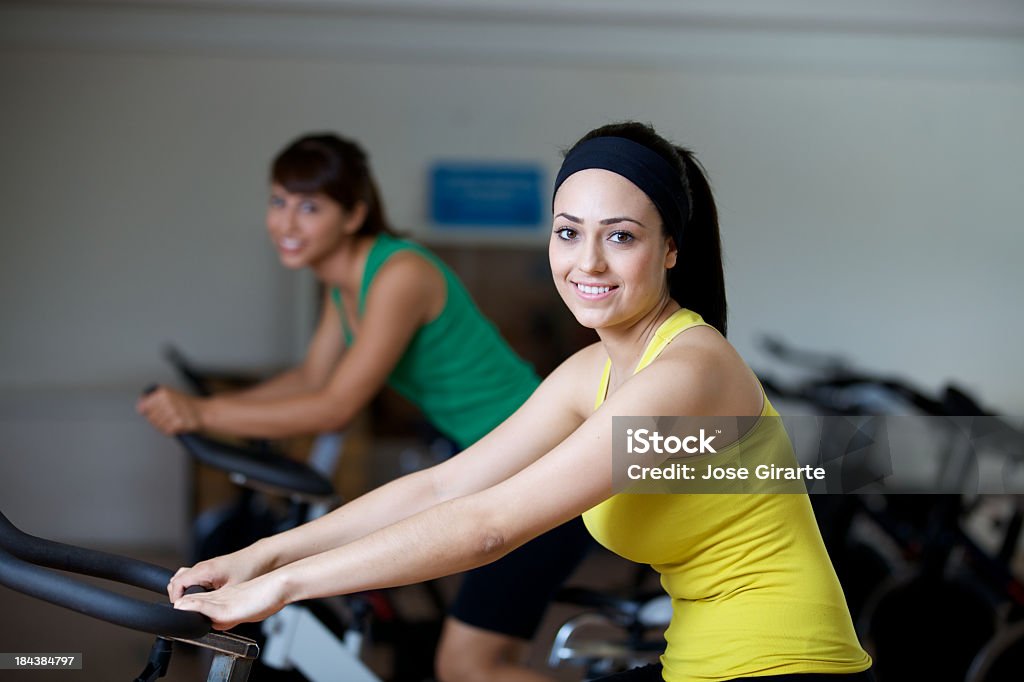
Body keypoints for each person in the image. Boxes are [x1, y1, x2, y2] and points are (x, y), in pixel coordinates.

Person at [167, 122, 876, 681]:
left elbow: (489, 525)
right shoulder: (592, 371)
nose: (586, 263)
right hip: (697, 662)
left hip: (782, 663)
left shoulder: (690, 371)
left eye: (621, 237)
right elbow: (444, 485)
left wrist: (285, 586)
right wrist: (259, 556)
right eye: (569, 232)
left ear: (670, 250)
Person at [137, 133, 593, 682]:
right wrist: (204, 407)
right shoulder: (343, 286)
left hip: (537, 461)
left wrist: (203, 415)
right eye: (278, 202)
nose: (287, 223)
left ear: (354, 214)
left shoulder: (399, 273)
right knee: (460, 661)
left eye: (310, 207)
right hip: (483, 464)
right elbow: (310, 377)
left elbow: (335, 405)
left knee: (471, 667)